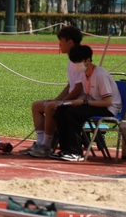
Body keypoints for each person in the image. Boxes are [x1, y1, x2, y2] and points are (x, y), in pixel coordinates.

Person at [22, 25, 84, 158]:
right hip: (70, 99)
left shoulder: (79, 61)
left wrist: (61, 101)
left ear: (70, 42)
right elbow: (70, 85)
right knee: (37, 105)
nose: (59, 45)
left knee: (51, 107)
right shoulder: (71, 61)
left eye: (61, 42)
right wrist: (57, 99)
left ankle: (46, 145)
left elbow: (79, 89)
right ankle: (39, 143)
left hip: (79, 101)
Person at [52, 45, 122, 162]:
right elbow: (88, 96)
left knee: (73, 113)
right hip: (94, 103)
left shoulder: (100, 75)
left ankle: (75, 152)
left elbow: (107, 102)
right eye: (74, 62)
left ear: (88, 60)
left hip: (108, 109)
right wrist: (70, 102)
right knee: (61, 110)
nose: (76, 65)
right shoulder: (86, 75)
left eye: (78, 62)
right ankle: (65, 149)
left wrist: (84, 102)